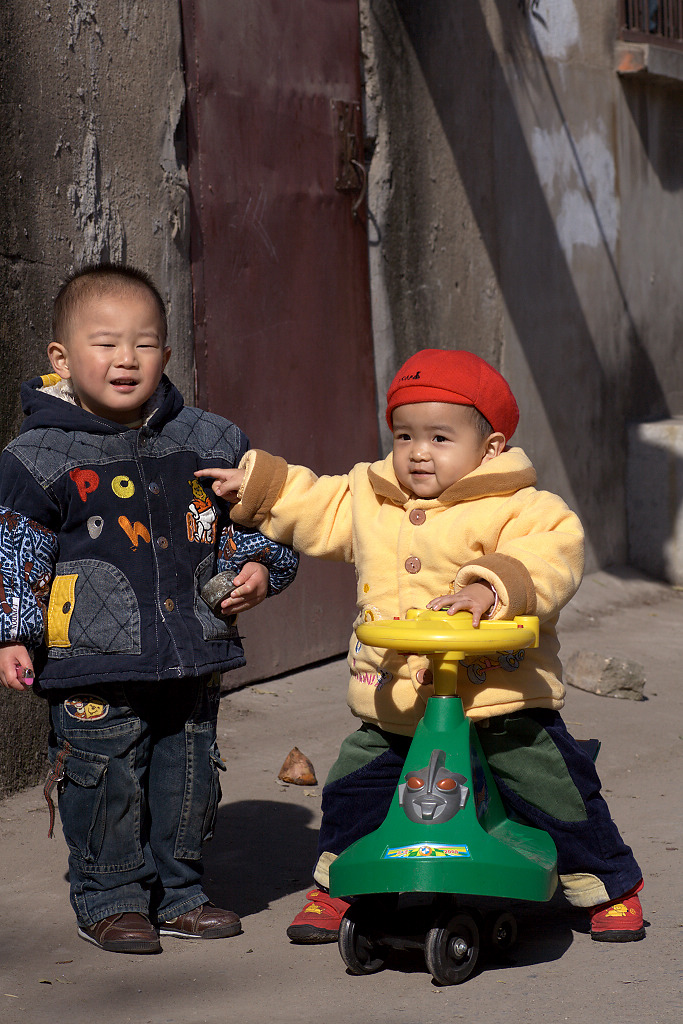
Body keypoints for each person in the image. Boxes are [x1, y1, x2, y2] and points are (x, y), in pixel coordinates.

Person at [196, 348, 646, 946]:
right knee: (353, 788)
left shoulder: (522, 506)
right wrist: (257, 488)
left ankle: (609, 884)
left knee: (552, 787)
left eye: (439, 437)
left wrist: (491, 588)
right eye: (405, 435)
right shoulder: (373, 495)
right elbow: (318, 504)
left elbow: (553, 554)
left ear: (490, 447)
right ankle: (339, 883)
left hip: (500, 697)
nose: (417, 452)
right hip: (397, 699)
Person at [0, 264, 298, 954]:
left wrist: (257, 567)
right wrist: (13, 633)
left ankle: (182, 892)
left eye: (144, 343)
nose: (125, 359)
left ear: (166, 353)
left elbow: (254, 519)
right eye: (104, 343)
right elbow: (14, 552)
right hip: (89, 660)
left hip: (192, 647)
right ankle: (109, 896)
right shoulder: (37, 455)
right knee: (103, 776)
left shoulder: (209, 439)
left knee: (187, 773)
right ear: (62, 357)